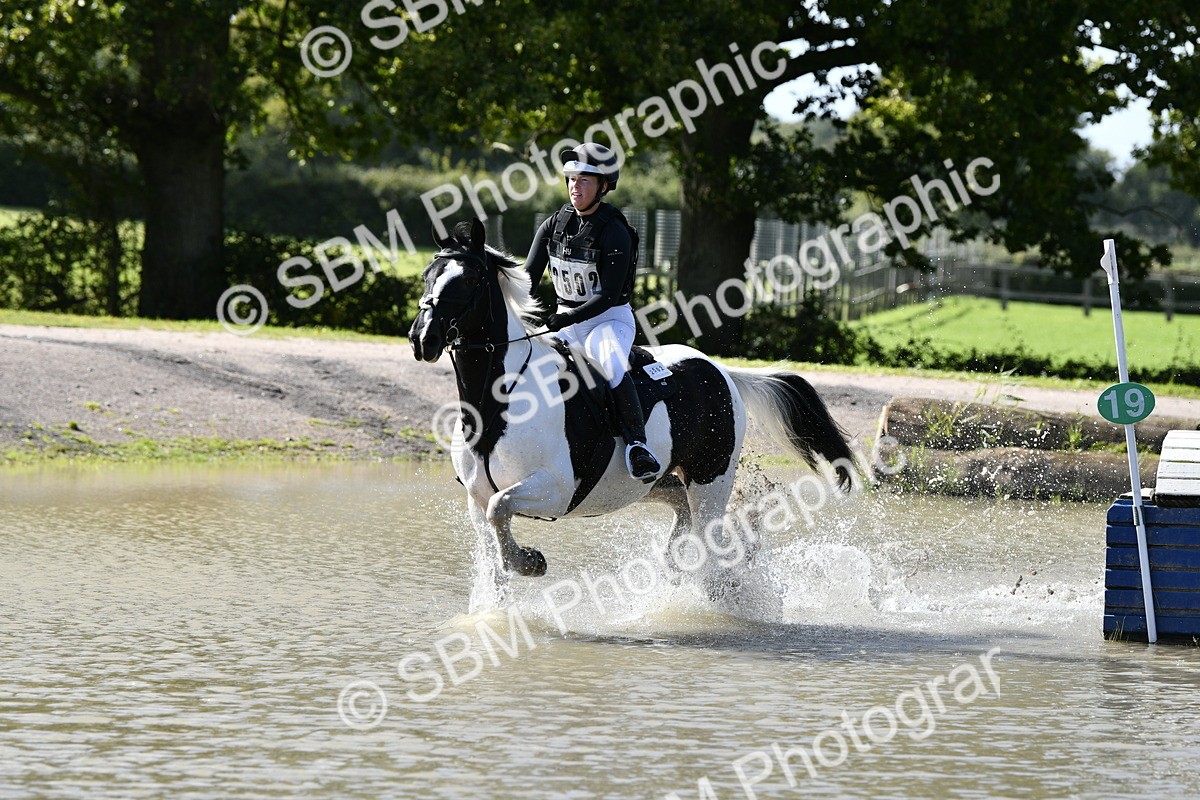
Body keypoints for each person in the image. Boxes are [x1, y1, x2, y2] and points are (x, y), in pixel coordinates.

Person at [524, 142, 663, 483]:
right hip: (566, 320)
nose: (576, 185)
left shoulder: (614, 230)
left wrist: (565, 318)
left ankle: (637, 445)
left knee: (612, 363)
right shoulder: (554, 224)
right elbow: (526, 279)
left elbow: (607, 296)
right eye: (572, 178)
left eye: (586, 179)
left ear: (603, 186)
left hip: (607, 320)